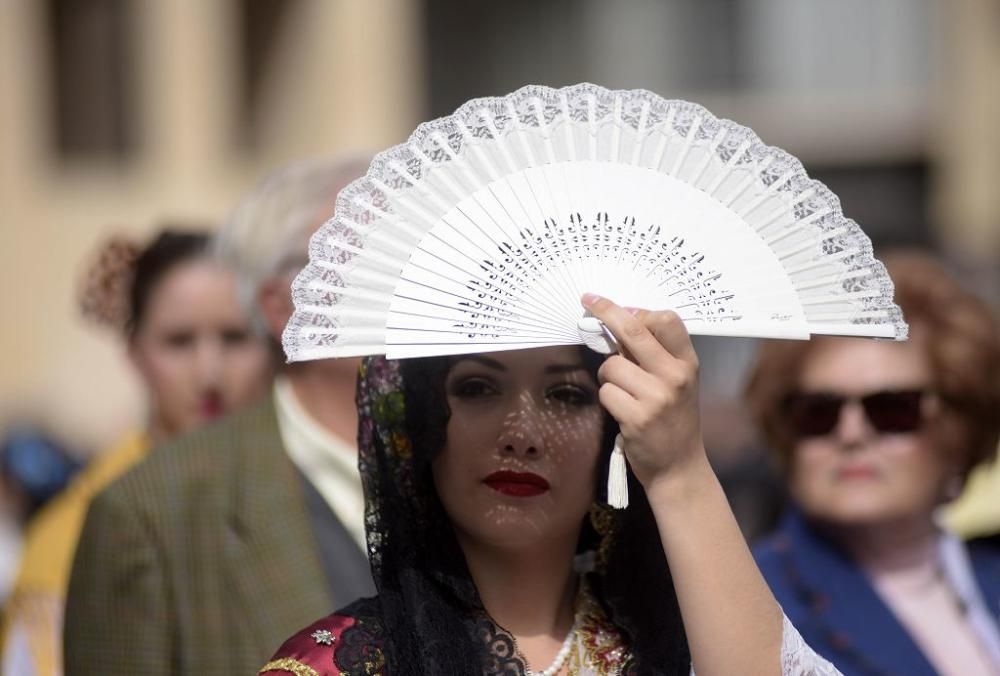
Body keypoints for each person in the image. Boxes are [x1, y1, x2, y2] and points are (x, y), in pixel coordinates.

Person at [261, 295, 842, 675]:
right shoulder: (332, 666)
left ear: (613, 430)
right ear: (421, 424)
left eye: (566, 395)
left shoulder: (685, 647)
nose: (521, 435)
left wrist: (678, 468)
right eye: (478, 389)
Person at [63, 158, 375, 676]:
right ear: (286, 306)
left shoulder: (480, 482)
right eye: (373, 256)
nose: (415, 282)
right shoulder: (147, 515)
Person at [2, 229, 271, 676]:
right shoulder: (73, 539)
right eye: (179, 341)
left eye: (234, 338)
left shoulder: (299, 494)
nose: (209, 373)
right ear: (134, 352)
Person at [748, 251, 1000, 676]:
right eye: (818, 412)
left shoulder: (989, 571)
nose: (851, 434)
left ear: (959, 430)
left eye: (892, 409)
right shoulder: (750, 599)